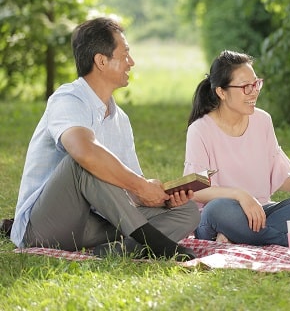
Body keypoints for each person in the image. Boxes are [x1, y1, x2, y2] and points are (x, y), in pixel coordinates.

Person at [10, 17, 199, 260]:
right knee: (84, 162)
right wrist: (139, 185)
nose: (132, 62)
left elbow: (128, 188)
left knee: (188, 212)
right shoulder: (68, 99)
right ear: (101, 60)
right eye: (125, 55)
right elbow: (85, 153)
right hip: (45, 227)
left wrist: (158, 197)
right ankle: (155, 243)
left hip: (95, 225)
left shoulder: (121, 119)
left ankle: (117, 252)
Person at [184, 50, 290, 246]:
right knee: (216, 210)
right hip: (221, 215)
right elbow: (198, 191)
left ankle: (237, 237)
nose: (254, 91)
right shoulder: (200, 130)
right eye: (245, 87)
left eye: (256, 84)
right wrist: (241, 195)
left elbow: (278, 173)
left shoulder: (263, 120)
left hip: (262, 212)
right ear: (221, 92)